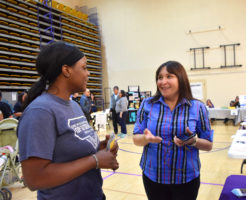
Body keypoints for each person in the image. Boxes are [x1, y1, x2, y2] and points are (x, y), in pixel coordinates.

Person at [17, 41, 119, 200]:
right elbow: (34, 179)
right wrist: (94, 160)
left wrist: (99, 147)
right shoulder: (40, 112)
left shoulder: (74, 105)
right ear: (66, 70)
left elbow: (69, 152)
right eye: (84, 67)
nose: (88, 73)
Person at [132, 61, 213, 200]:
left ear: (181, 78)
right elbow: (136, 138)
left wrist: (193, 141)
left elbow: (209, 145)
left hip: (186, 178)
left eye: (169, 76)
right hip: (153, 176)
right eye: (160, 77)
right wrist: (147, 139)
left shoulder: (197, 107)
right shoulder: (147, 104)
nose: (163, 81)